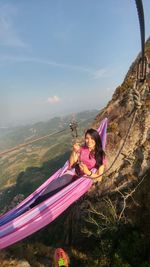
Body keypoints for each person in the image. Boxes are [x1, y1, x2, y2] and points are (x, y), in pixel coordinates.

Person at [29, 128, 105, 209]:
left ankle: (43, 207)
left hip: (84, 179)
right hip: (75, 172)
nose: (89, 141)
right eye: (87, 138)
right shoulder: (83, 148)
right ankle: (34, 205)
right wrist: (74, 151)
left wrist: (87, 172)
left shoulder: (100, 155)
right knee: (58, 182)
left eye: (92, 138)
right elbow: (72, 163)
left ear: (96, 139)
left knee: (64, 194)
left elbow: (99, 177)